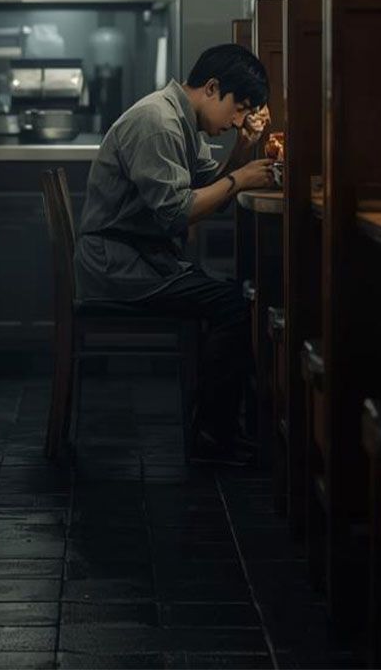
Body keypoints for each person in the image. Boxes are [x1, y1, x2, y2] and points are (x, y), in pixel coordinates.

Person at [74, 43, 276, 464]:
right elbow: (177, 215)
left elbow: (208, 190)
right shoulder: (159, 122)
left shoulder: (181, 119)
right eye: (238, 109)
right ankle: (212, 436)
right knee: (235, 307)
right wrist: (240, 178)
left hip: (142, 258)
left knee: (231, 297)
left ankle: (214, 429)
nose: (238, 120)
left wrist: (243, 151)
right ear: (212, 87)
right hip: (119, 265)